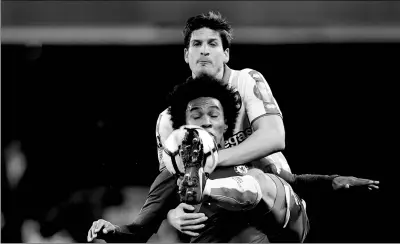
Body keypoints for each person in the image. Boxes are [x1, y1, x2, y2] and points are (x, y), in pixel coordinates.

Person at [87, 11, 379, 243]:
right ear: (186, 55)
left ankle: (214, 189)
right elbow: (163, 200)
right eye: (196, 44)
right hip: (229, 225)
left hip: (280, 209)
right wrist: (164, 218)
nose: (204, 52)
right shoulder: (168, 122)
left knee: (252, 178)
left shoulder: (246, 81)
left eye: (213, 44)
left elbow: (275, 139)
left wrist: (207, 162)